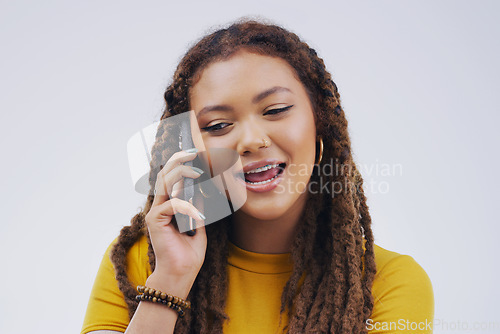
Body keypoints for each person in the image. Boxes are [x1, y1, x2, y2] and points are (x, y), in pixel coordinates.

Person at [81, 18, 434, 334]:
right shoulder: (140, 262)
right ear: (190, 148)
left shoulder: (388, 283)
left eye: (276, 110)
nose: (251, 140)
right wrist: (171, 280)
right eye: (217, 125)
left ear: (319, 124)